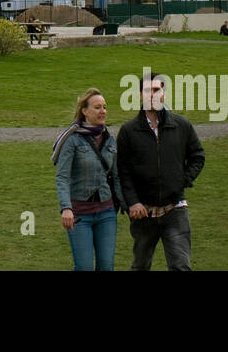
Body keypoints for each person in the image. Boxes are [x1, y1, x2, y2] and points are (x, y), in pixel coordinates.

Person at [116, 72, 205, 270]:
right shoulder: (128, 131)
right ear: (140, 95)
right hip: (143, 213)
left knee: (181, 266)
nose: (153, 95)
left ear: (163, 93)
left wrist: (182, 180)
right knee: (140, 266)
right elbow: (122, 171)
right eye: (148, 90)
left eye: (157, 90)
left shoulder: (181, 125)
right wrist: (132, 202)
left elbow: (198, 156)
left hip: (175, 210)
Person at [53, 87, 123, 270]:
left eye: (105, 107)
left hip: (106, 213)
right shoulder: (72, 139)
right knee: (84, 267)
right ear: (85, 111)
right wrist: (66, 208)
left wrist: (127, 204)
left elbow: (116, 177)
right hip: (79, 215)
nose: (103, 111)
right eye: (97, 107)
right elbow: (62, 177)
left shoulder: (110, 139)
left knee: (106, 266)